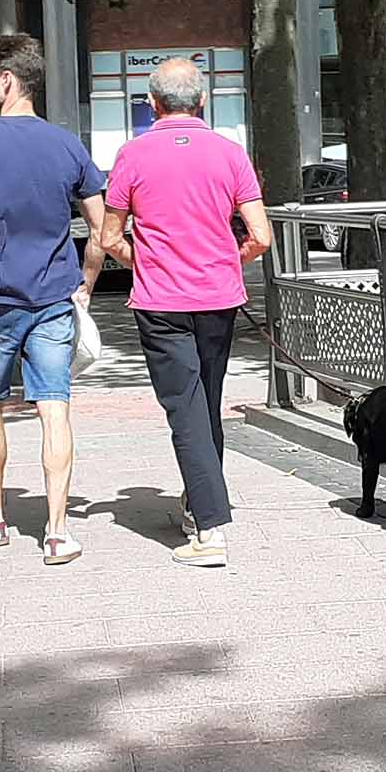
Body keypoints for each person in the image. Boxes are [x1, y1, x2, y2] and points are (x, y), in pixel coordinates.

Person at [99, 58, 271, 569]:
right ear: (202, 101)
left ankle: (211, 529)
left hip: (161, 302)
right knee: (205, 404)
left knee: (185, 409)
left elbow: (109, 237)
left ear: (152, 104)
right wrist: (228, 258)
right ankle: (198, 505)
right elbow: (260, 235)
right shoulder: (229, 153)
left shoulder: (131, 155)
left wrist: (145, 260)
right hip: (218, 297)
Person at [0, 32, 107, 566]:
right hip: (55, 299)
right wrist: (84, 284)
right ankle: (59, 531)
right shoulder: (67, 144)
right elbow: (101, 227)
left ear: (8, 79)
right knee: (54, 409)